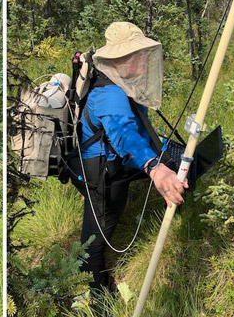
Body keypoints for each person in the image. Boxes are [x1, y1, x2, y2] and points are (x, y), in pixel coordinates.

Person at [67, 21, 188, 293]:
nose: (143, 62)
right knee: (95, 239)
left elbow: (140, 130)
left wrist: (168, 151)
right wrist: (155, 168)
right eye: (137, 56)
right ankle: (92, 294)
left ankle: (186, 216)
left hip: (116, 162)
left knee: (177, 159)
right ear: (119, 59)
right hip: (100, 174)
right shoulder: (109, 93)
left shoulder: (122, 83)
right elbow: (124, 135)